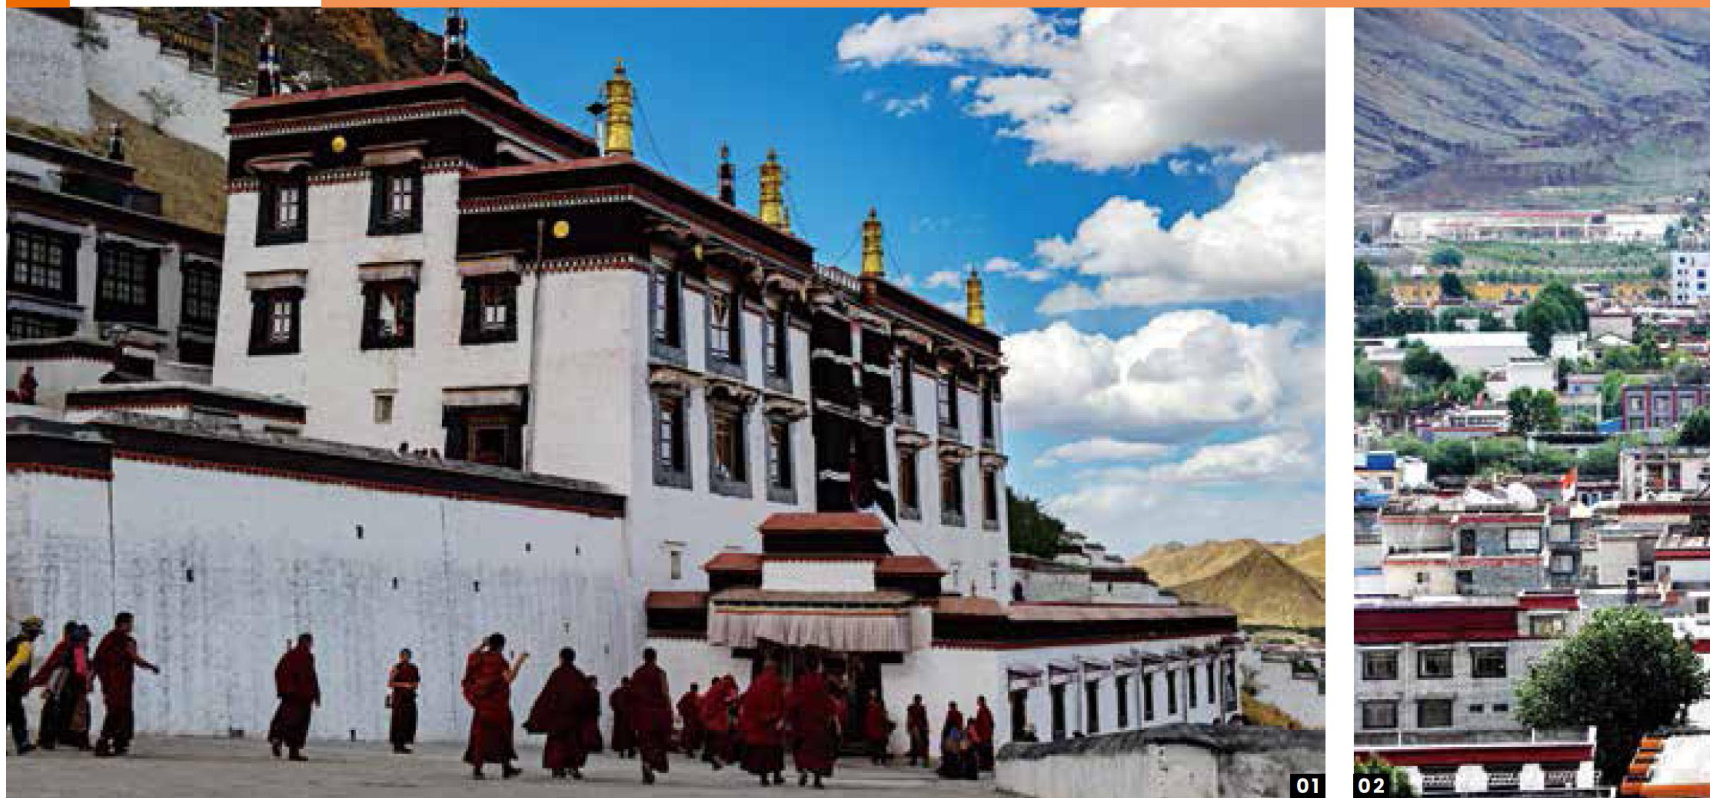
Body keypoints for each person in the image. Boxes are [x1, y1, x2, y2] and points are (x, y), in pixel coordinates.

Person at [91, 612, 159, 757]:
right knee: (118, 713)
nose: (132, 626)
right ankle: (108, 744)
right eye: (130, 623)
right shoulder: (126, 641)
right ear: (123, 624)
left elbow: (97, 661)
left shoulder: (108, 639)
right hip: (118, 683)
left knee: (117, 712)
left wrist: (91, 679)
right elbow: (135, 658)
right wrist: (151, 666)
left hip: (113, 683)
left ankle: (117, 744)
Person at [462, 634, 527, 780]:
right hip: (498, 707)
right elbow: (509, 678)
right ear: (502, 646)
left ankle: (478, 770)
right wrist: (519, 661)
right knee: (503, 736)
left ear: (489, 644)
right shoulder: (500, 661)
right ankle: (506, 768)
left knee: (481, 738)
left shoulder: (480, 658)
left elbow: (471, 657)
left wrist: (482, 645)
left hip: (482, 707)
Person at [524, 647, 594, 779]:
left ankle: (558, 769)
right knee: (574, 743)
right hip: (574, 717)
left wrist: (536, 712)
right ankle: (573, 768)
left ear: (561, 658)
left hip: (558, 717)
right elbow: (586, 696)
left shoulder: (557, 674)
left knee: (557, 743)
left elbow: (547, 694)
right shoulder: (578, 675)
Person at [32, 622, 94, 751]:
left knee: (57, 711)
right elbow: (80, 670)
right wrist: (87, 683)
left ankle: (51, 739)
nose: (88, 639)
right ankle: (77, 740)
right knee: (77, 712)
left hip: (62, 686)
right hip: (70, 686)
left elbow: (55, 666)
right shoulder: (78, 648)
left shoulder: (68, 647)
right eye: (87, 637)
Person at [784, 654, 838, 789]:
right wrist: (833, 717)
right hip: (819, 724)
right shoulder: (822, 682)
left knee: (803, 750)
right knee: (819, 752)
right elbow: (827, 702)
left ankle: (803, 772)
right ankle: (817, 780)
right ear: (817, 666)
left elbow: (793, 701)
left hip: (802, 723)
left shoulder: (800, 681)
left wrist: (788, 718)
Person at [267, 633, 319, 761]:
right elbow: (280, 672)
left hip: (300, 697)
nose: (311, 645)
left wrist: (316, 694)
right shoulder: (296, 656)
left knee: (287, 722)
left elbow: (312, 677)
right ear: (305, 642)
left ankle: (282, 743)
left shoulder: (300, 656)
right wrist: (289, 689)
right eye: (310, 642)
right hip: (297, 697)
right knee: (295, 724)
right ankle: (289, 748)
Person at [629, 648, 674, 784]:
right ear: (655, 657)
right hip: (658, 714)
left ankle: (646, 764)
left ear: (644, 657)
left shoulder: (637, 673)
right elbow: (665, 693)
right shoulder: (660, 673)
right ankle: (650, 764)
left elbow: (632, 694)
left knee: (645, 743)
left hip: (642, 714)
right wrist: (669, 710)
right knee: (658, 742)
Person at [738, 659, 786, 786]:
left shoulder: (756, 682)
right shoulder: (778, 682)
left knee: (762, 751)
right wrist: (780, 717)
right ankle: (777, 775)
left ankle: (764, 777)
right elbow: (782, 700)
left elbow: (749, 702)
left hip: (759, 723)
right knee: (775, 750)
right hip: (773, 723)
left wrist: (751, 720)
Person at [7, 616, 44, 754]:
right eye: (36, 633)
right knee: (12, 714)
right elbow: (16, 663)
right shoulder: (25, 645)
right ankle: (22, 743)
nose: (37, 636)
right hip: (10, 686)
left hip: (11, 686)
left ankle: (23, 743)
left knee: (16, 716)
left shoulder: (12, 643)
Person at [387, 649, 420, 754]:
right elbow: (390, 683)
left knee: (409, 721)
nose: (405, 658)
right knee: (398, 722)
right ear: (400, 657)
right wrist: (404, 685)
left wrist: (412, 686)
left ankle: (404, 744)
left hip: (409, 698)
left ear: (410, 657)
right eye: (403, 656)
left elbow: (416, 683)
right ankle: (397, 746)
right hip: (399, 700)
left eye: (407, 656)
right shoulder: (396, 668)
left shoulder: (414, 668)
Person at [700, 674, 736, 769]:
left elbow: (703, 700)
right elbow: (730, 699)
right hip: (719, 718)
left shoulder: (713, 689)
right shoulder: (727, 687)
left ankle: (708, 755)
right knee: (721, 739)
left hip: (709, 717)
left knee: (711, 738)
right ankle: (717, 757)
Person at [609, 676, 636, 758]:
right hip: (626, 716)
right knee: (629, 733)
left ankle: (621, 749)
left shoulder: (618, 692)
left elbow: (612, 701)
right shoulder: (631, 692)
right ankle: (629, 750)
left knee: (622, 733)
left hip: (621, 715)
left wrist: (616, 709)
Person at [677, 681, 703, 758]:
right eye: (696, 688)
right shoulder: (693, 697)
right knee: (690, 734)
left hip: (691, 718)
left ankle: (684, 746)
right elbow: (679, 705)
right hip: (691, 718)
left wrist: (683, 713)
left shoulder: (690, 696)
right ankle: (689, 751)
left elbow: (679, 705)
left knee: (688, 732)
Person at [864, 697, 892, 765]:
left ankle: (876, 759)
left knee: (876, 747)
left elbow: (868, 722)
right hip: (880, 731)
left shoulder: (872, 711)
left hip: (875, 731)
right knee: (881, 747)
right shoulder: (881, 711)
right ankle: (882, 760)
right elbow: (884, 721)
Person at [970, 696, 996, 771]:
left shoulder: (982, 710)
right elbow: (991, 723)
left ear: (981, 701)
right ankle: (988, 765)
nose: (977, 702)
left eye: (978, 701)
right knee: (987, 750)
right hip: (988, 734)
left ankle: (985, 766)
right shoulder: (987, 710)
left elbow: (982, 723)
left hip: (984, 735)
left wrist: (977, 728)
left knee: (983, 751)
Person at [905, 694, 930, 767]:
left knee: (923, 745)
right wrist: (909, 727)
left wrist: (926, 727)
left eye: (919, 700)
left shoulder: (921, 708)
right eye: (918, 700)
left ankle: (924, 761)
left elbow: (924, 718)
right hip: (915, 727)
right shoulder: (911, 708)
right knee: (914, 744)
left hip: (921, 728)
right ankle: (915, 760)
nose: (919, 701)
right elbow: (909, 718)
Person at [585, 675, 605, 753]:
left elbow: (597, 704)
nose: (595, 684)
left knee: (593, 730)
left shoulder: (596, 692)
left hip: (593, 714)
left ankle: (595, 746)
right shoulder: (585, 692)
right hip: (587, 714)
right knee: (588, 730)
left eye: (595, 682)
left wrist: (598, 711)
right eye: (593, 682)